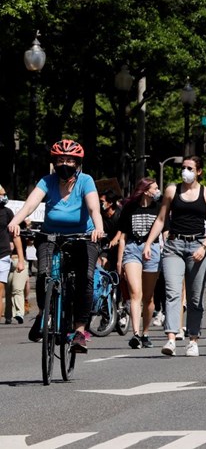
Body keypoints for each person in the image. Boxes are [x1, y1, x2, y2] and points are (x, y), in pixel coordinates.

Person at [6, 140, 105, 353]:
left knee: (86, 279)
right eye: (60, 160)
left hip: (83, 237)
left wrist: (98, 228)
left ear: (77, 163)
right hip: (50, 235)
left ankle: (79, 331)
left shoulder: (86, 181)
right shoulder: (47, 181)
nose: (65, 164)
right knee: (43, 275)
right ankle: (44, 314)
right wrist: (15, 221)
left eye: (70, 160)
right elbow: (31, 204)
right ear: (54, 162)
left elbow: (94, 208)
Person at [143, 156, 206, 356]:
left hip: (197, 246)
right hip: (174, 245)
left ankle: (193, 339)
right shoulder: (171, 190)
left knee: (195, 297)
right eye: (184, 167)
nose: (185, 171)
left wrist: (204, 246)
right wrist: (149, 243)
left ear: (199, 171)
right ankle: (171, 338)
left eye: (190, 168)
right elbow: (161, 219)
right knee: (172, 292)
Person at [117, 178, 161, 349]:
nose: (157, 191)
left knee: (148, 297)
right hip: (133, 249)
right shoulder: (129, 208)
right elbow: (123, 236)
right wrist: (120, 260)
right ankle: (135, 334)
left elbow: (165, 232)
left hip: (152, 250)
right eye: (155, 188)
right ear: (145, 190)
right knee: (136, 293)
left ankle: (145, 332)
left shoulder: (158, 208)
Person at [1, 185, 27, 325]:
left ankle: (17, 313)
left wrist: (22, 260)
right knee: (7, 290)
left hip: (8, 257)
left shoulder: (8, 213)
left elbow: (17, 238)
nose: (4, 197)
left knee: (9, 289)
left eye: (4, 194)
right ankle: (8, 315)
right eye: (1, 194)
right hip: (6, 257)